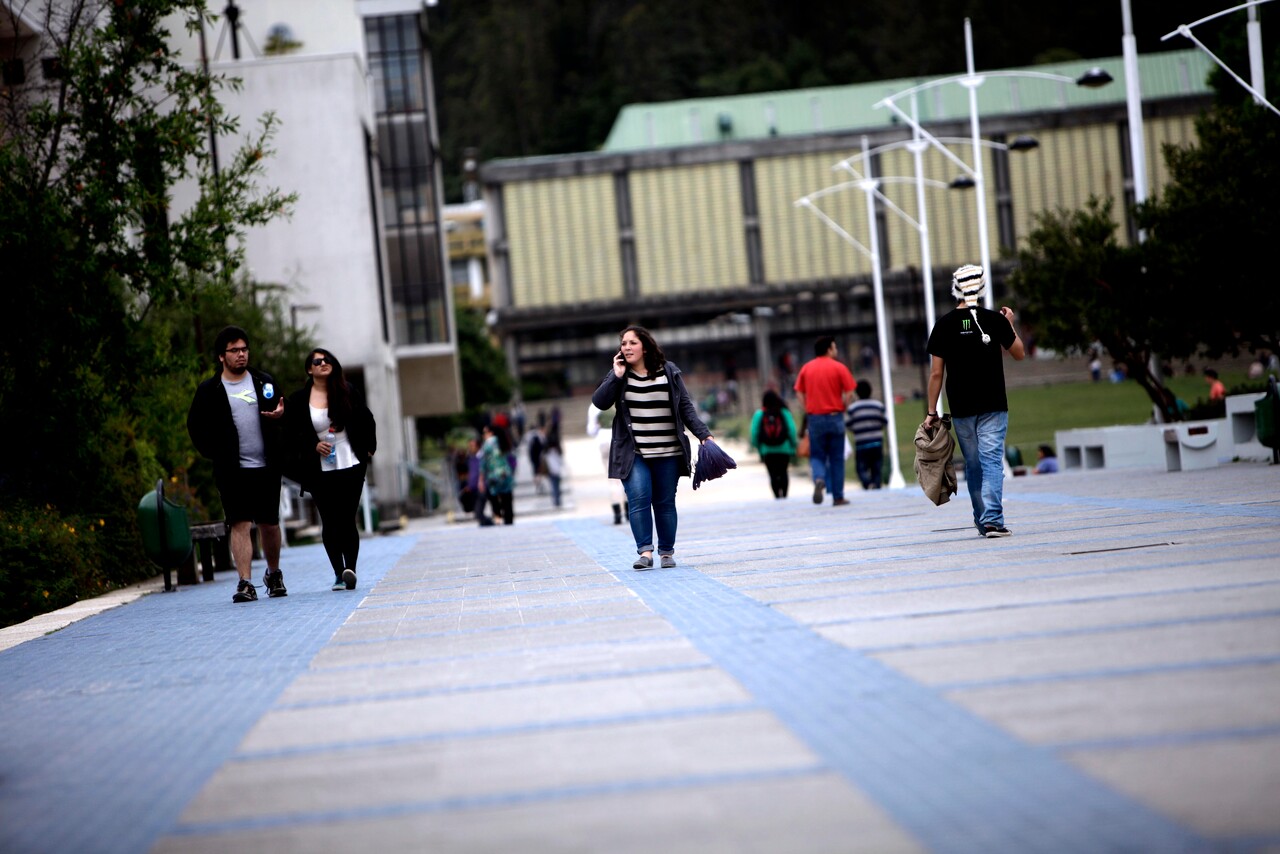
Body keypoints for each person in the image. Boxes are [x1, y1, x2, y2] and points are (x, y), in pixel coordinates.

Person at [592, 325, 715, 570]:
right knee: (638, 498)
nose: (626, 347)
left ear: (645, 347)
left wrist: (704, 435)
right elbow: (600, 402)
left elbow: (686, 409)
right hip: (633, 452)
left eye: (632, 343)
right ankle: (645, 553)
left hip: (668, 451)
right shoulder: (619, 374)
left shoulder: (668, 372)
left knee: (665, 502)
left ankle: (666, 552)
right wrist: (616, 376)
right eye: (623, 344)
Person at [186, 325, 288, 603]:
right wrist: (215, 453)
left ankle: (274, 573)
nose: (241, 355)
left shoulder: (263, 382)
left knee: (269, 523)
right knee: (240, 522)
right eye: (234, 351)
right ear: (222, 356)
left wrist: (281, 416)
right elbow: (195, 427)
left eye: (244, 349)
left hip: (266, 466)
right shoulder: (210, 390)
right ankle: (245, 582)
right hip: (232, 470)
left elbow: (282, 410)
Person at [925, 265, 1026, 538]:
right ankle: (993, 519)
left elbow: (936, 373)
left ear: (955, 289)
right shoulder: (994, 320)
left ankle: (983, 520)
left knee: (974, 464)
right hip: (993, 402)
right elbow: (1019, 353)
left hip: (961, 406)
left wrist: (931, 411)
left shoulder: (944, 324)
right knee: (992, 460)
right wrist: (1010, 324)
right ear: (982, 289)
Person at [284, 348, 376, 591]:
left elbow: (366, 418)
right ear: (309, 369)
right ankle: (338, 572)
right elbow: (293, 434)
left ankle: (351, 570)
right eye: (317, 361)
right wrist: (313, 445)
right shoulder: (299, 400)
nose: (323, 363)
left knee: (347, 517)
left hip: (350, 461)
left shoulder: (347, 391)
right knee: (330, 520)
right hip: (319, 468)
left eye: (327, 360)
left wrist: (369, 447)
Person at [794, 335, 856, 506]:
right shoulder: (839, 368)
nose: (836, 350)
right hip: (835, 416)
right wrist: (843, 405)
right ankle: (838, 496)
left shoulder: (807, 368)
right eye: (834, 347)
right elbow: (850, 391)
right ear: (829, 349)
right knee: (836, 457)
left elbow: (798, 392)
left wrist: (806, 407)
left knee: (817, 455)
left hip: (815, 418)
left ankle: (819, 478)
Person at [749, 390, 797, 498]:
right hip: (784, 449)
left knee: (773, 474)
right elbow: (792, 430)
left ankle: (777, 497)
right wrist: (793, 445)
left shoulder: (759, 414)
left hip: (767, 450)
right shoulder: (784, 412)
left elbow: (754, 433)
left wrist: (758, 447)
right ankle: (784, 496)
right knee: (783, 472)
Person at [587, 403, 627, 524]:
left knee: (612, 479)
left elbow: (591, 430)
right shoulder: (619, 400)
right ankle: (628, 509)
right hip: (619, 439)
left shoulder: (595, 406)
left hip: (604, 441)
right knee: (625, 475)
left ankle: (617, 513)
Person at [845, 379, 888, 489]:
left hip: (861, 443)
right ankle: (877, 485)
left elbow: (848, 424)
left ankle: (867, 483)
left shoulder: (853, 408)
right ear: (870, 391)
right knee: (876, 467)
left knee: (860, 468)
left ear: (857, 393)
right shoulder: (878, 405)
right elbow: (884, 421)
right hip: (877, 442)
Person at [480, 422, 515, 525]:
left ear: (491, 433)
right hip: (506, 473)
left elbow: (483, 463)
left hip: (493, 475)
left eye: (485, 432)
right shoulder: (503, 441)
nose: (484, 435)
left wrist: (481, 479)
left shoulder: (488, 443)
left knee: (493, 497)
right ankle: (509, 519)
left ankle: (498, 516)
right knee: (507, 498)